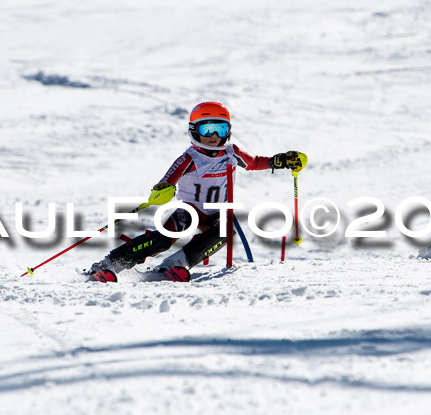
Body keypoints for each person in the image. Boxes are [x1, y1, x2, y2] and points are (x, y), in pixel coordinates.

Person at [86, 101, 306, 283]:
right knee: (163, 239)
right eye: (206, 129)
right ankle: (109, 265)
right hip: (188, 211)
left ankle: (171, 267)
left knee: (224, 233)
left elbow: (255, 162)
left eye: (219, 129)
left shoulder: (231, 152)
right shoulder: (190, 157)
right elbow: (167, 180)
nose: (213, 136)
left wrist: (280, 161)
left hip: (215, 214)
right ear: (194, 130)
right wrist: (162, 190)